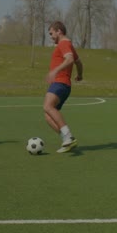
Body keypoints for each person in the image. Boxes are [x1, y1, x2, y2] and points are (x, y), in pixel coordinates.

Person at [44, 21, 83, 153]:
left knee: (47, 106)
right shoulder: (68, 44)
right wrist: (80, 75)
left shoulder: (64, 43)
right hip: (63, 84)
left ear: (59, 31)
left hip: (60, 82)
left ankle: (68, 137)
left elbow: (70, 59)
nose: (51, 36)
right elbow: (78, 62)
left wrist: (55, 71)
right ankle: (68, 141)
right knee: (49, 116)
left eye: (51, 33)